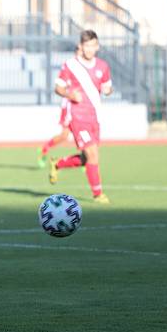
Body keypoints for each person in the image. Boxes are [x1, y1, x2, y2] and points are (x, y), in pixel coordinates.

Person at [48, 29, 112, 204]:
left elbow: (108, 86)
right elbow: (58, 88)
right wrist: (70, 95)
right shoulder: (71, 65)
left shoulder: (103, 66)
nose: (90, 49)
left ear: (97, 46)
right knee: (92, 154)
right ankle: (98, 194)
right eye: (87, 46)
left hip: (95, 117)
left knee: (87, 158)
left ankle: (57, 164)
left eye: (93, 45)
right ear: (81, 46)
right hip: (78, 117)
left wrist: (108, 90)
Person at [36, 45, 79, 168]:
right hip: (69, 104)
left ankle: (84, 160)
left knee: (80, 134)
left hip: (81, 106)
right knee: (65, 135)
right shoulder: (70, 66)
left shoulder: (87, 67)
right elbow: (61, 86)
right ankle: (45, 148)